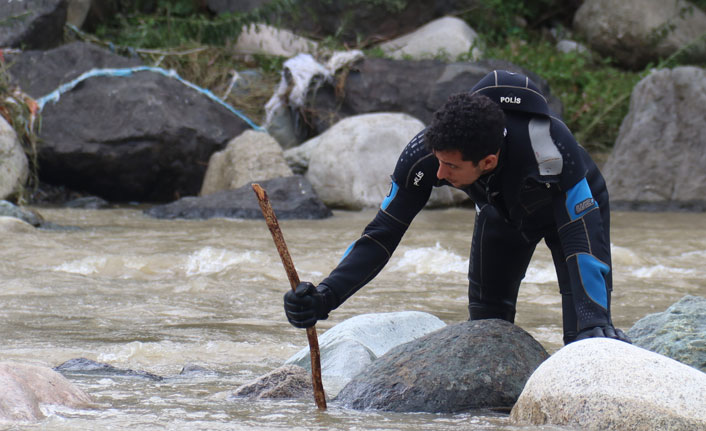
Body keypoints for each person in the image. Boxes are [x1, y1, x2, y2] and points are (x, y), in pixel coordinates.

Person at [283, 69, 630, 345]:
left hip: (569, 212)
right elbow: (379, 236)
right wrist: (325, 298)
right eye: (438, 161)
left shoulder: (552, 151)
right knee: (485, 333)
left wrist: (594, 320)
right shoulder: (425, 155)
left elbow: (583, 242)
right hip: (500, 212)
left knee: (585, 337)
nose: (439, 173)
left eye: (451, 167)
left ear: (488, 161)